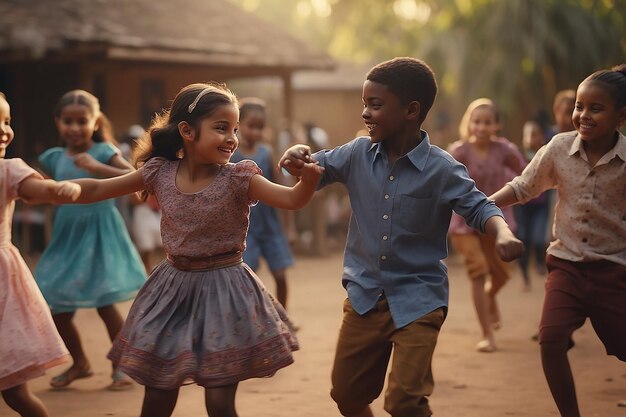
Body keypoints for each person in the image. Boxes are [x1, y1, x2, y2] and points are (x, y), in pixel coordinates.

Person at [279, 57, 523, 417]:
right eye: (364, 104)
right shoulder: (356, 153)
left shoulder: (442, 168)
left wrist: (501, 232)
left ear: (411, 110)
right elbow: (315, 166)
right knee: (347, 396)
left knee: (405, 402)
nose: (365, 113)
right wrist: (296, 157)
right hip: (364, 297)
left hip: (419, 299)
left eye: (375, 105)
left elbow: (479, 207)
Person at [68, 82, 324, 417]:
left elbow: (292, 200)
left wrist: (307, 178)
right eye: (221, 128)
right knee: (158, 395)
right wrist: (56, 189)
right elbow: (98, 189)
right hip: (173, 292)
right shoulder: (159, 171)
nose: (232, 138)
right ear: (187, 131)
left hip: (226, 292)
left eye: (234, 128)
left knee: (219, 403)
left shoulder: (239, 177)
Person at [490, 64, 626, 417]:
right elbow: (523, 186)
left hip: (613, 271)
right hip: (566, 266)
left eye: (596, 108)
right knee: (550, 341)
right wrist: (486, 204)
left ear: (621, 116)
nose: (582, 115)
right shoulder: (559, 147)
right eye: (580, 106)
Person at [34, 90, 146, 391]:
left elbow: (135, 177)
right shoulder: (53, 158)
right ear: (57, 122)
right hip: (66, 239)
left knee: (105, 304)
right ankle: (80, 362)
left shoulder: (103, 151)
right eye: (67, 121)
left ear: (95, 122)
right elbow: (40, 192)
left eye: (82, 121)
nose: (74, 127)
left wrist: (97, 169)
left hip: (100, 236)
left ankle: (121, 366)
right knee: (56, 307)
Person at [0, 92, 81, 417]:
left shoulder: (7, 171)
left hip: (2, 289)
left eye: (7, 121)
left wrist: (58, 189)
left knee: (16, 393)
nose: (5, 130)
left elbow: (39, 189)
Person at [447, 98, 525, 353]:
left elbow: (526, 173)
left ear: (496, 126)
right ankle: (487, 334)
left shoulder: (504, 150)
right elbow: (441, 180)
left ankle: (491, 296)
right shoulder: (458, 152)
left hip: (495, 221)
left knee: (502, 273)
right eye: (476, 121)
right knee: (478, 271)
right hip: (463, 222)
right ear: (468, 124)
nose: (481, 127)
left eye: (487, 122)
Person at [230, 98, 295, 310]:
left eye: (260, 127)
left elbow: (281, 187)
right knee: (248, 277)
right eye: (251, 126)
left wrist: (288, 226)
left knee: (280, 274)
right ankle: (252, 319)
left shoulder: (266, 153)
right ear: (239, 125)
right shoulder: (232, 154)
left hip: (269, 224)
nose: (256, 132)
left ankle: (282, 316)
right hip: (244, 226)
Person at [514, 120, 549, 289]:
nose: (530, 138)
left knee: (539, 237)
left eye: (534, 134)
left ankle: (540, 263)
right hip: (522, 207)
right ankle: (525, 277)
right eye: (527, 135)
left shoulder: (546, 155)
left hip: (540, 206)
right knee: (523, 240)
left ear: (541, 137)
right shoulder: (518, 157)